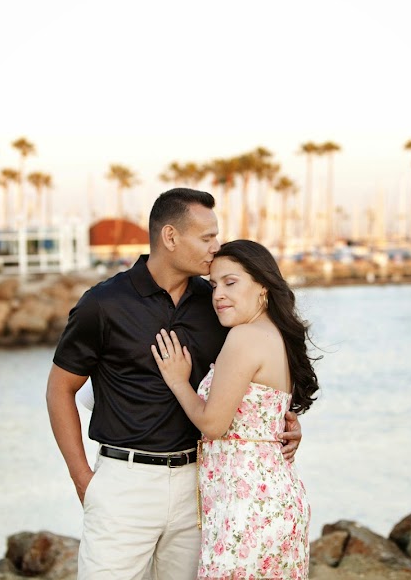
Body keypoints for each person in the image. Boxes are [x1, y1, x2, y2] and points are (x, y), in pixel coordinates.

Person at [46, 188, 302, 580]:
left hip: (201, 487)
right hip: (125, 483)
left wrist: (281, 424)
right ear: (170, 237)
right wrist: (82, 479)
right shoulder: (104, 304)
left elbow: (250, 379)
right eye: (206, 238)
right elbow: (59, 389)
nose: (215, 248)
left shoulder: (217, 303)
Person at [153, 239, 319, 579]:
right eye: (213, 285)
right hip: (275, 498)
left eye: (231, 282)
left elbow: (213, 425)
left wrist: (178, 380)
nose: (217, 295)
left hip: (246, 508)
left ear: (263, 286)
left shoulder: (244, 337)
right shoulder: (275, 335)